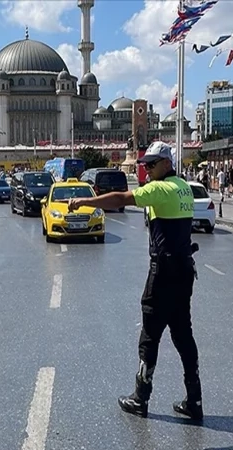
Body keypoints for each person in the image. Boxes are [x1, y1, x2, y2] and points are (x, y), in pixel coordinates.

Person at [67, 141, 203, 420]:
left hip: (163, 273)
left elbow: (120, 199)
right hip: (184, 271)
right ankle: (195, 400)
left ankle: (141, 397)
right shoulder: (184, 188)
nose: (147, 170)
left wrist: (85, 201)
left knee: (150, 335)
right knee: (183, 335)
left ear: (167, 163)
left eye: (152, 164)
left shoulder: (160, 189)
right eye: (145, 165)